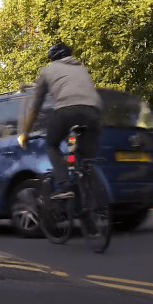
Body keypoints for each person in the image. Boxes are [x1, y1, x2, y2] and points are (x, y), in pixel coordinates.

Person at [17, 44, 103, 200]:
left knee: (52, 144)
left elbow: (35, 105)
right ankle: (88, 181)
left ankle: (64, 185)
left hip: (67, 111)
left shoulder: (48, 70)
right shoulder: (82, 68)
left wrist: (25, 133)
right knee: (84, 156)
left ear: (53, 57)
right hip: (93, 113)